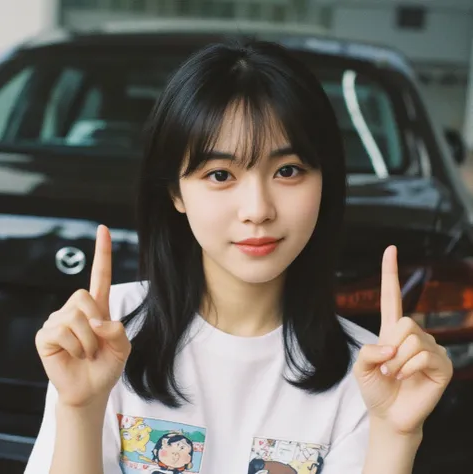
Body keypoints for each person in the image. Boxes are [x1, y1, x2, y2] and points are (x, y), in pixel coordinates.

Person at [24, 39, 453, 474]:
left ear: (325, 182)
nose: (257, 210)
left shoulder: (371, 373)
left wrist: (397, 436)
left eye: (287, 171)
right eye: (220, 174)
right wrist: (80, 408)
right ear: (176, 191)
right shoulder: (105, 330)